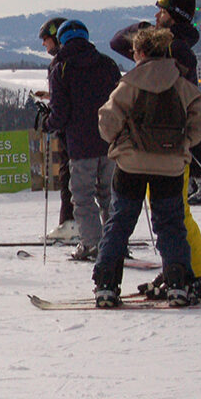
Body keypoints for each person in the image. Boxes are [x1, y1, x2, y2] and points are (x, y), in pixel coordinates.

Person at [93, 27, 201, 307]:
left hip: (131, 163)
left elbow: (107, 121)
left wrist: (121, 140)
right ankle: (178, 283)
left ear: (139, 53)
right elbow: (198, 120)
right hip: (171, 164)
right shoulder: (181, 83)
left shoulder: (130, 84)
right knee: (171, 224)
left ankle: (107, 284)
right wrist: (183, 143)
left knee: (119, 223)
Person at [43, 20, 121, 261]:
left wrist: (47, 124)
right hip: (109, 141)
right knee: (110, 194)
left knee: (83, 196)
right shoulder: (107, 64)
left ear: (63, 39)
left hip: (80, 144)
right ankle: (115, 242)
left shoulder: (62, 68)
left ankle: (92, 244)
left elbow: (60, 113)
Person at [34, 16, 78, 242]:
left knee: (68, 176)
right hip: (91, 130)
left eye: (45, 39)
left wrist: (49, 123)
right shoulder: (84, 60)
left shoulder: (59, 64)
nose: (44, 44)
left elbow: (65, 106)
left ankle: (70, 223)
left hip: (70, 132)